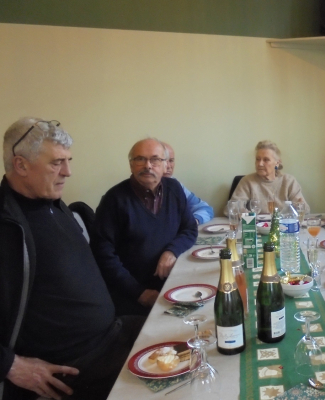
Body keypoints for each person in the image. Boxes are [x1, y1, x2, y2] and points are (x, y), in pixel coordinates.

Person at [0, 118, 143, 400]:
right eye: (56, 163)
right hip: (74, 368)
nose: (68, 172)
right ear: (21, 165)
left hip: (111, 336)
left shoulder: (52, 202)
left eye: (68, 161)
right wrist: (10, 365)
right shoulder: (7, 224)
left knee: (186, 333)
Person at [92, 138, 197, 316]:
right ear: (131, 165)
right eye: (140, 159)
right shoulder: (114, 200)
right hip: (133, 295)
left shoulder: (174, 188)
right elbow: (102, 255)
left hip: (173, 281)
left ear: (165, 165)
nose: (148, 165)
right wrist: (139, 293)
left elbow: (189, 229)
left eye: (155, 159)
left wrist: (171, 251)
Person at [229, 140, 309, 214]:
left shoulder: (289, 181)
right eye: (258, 159)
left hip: (283, 224)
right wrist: (244, 213)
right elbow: (232, 208)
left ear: (277, 163)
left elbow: (305, 210)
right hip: (256, 224)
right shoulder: (247, 181)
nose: (260, 164)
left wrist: (299, 206)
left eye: (266, 160)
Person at [162, 142, 213, 225]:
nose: (168, 166)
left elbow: (205, 209)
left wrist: (193, 222)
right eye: (163, 160)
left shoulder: (175, 185)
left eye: (171, 161)